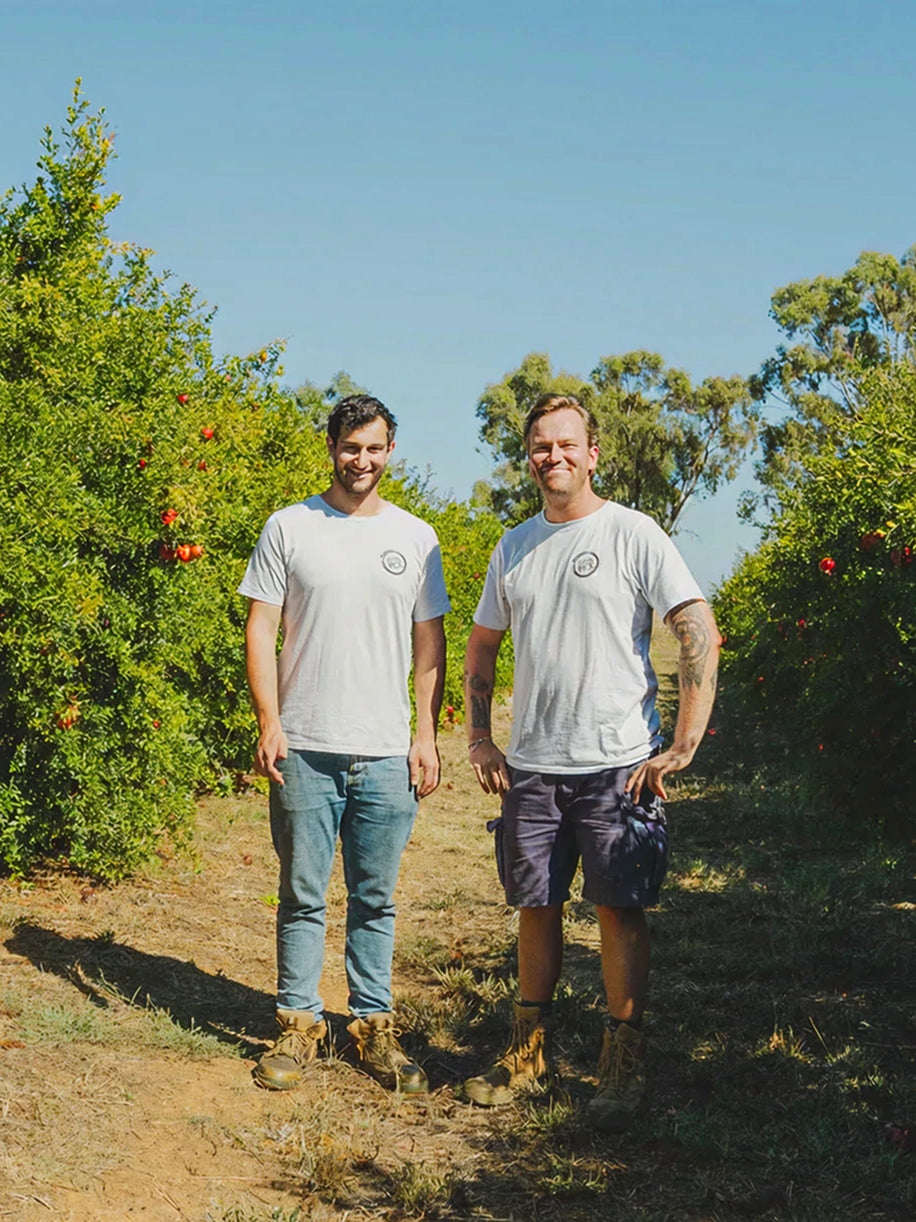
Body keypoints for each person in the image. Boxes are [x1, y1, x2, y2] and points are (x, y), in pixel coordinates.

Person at [462, 392, 718, 1129]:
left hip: (618, 764)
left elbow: (696, 626)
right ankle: (527, 1048)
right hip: (535, 765)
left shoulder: (634, 534)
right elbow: (484, 643)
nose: (555, 456)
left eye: (568, 443)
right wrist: (480, 737)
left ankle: (623, 1057)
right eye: (542, 445)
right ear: (530, 456)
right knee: (533, 906)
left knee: (619, 907)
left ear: (593, 452)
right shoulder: (513, 546)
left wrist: (685, 742)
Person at [239, 394, 450, 1093]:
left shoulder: (417, 537)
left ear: (392, 451)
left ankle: (371, 1026)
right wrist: (270, 720)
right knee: (301, 894)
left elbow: (430, 644)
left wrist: (426, 734)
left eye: (375, 447)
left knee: (375, 898)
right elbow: (261, 630)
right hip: (305, 745)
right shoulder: (289, 527)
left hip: (387, 750)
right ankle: (298, 1024)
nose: (362, 460)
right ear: (331, 446)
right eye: (351, 446)